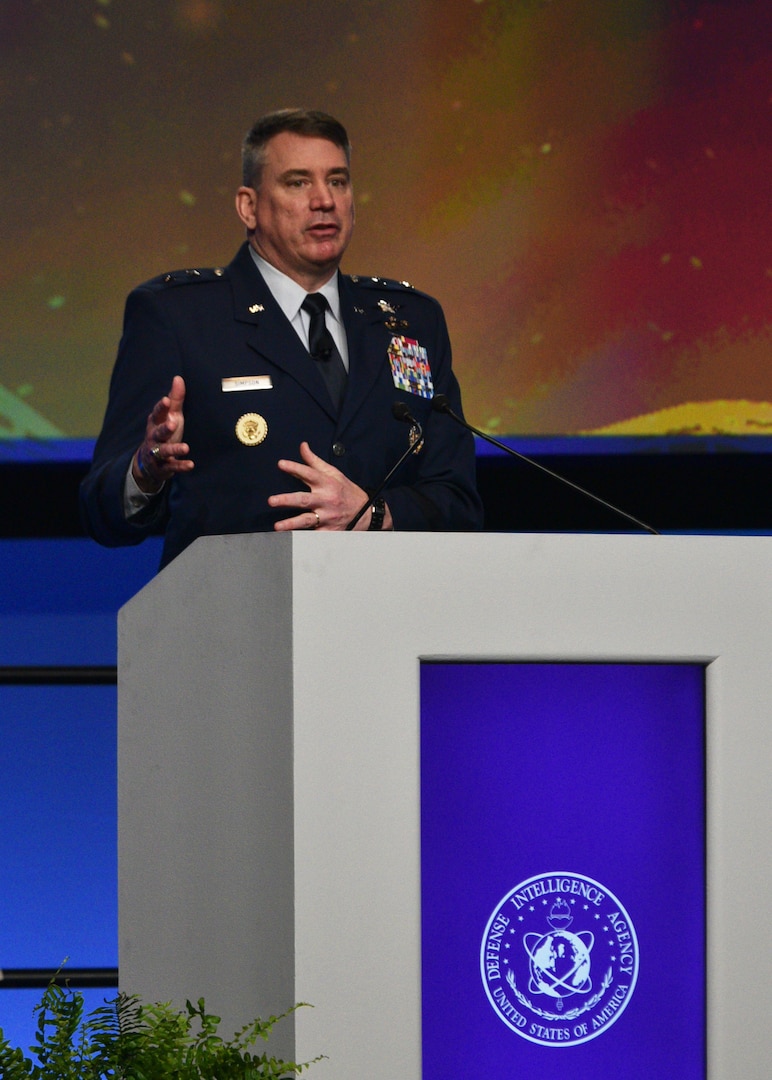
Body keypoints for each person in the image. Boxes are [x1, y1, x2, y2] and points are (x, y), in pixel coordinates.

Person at [80, 108, 483, 568]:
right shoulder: (178, 316)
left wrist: (375, 514)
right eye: (297, 183)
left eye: (337, 181)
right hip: (236, 618)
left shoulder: (411, 320)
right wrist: (144, 471)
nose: (324, 200)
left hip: (388, 616)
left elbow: (459, 503)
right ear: (248, 206)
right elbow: (100, 512)